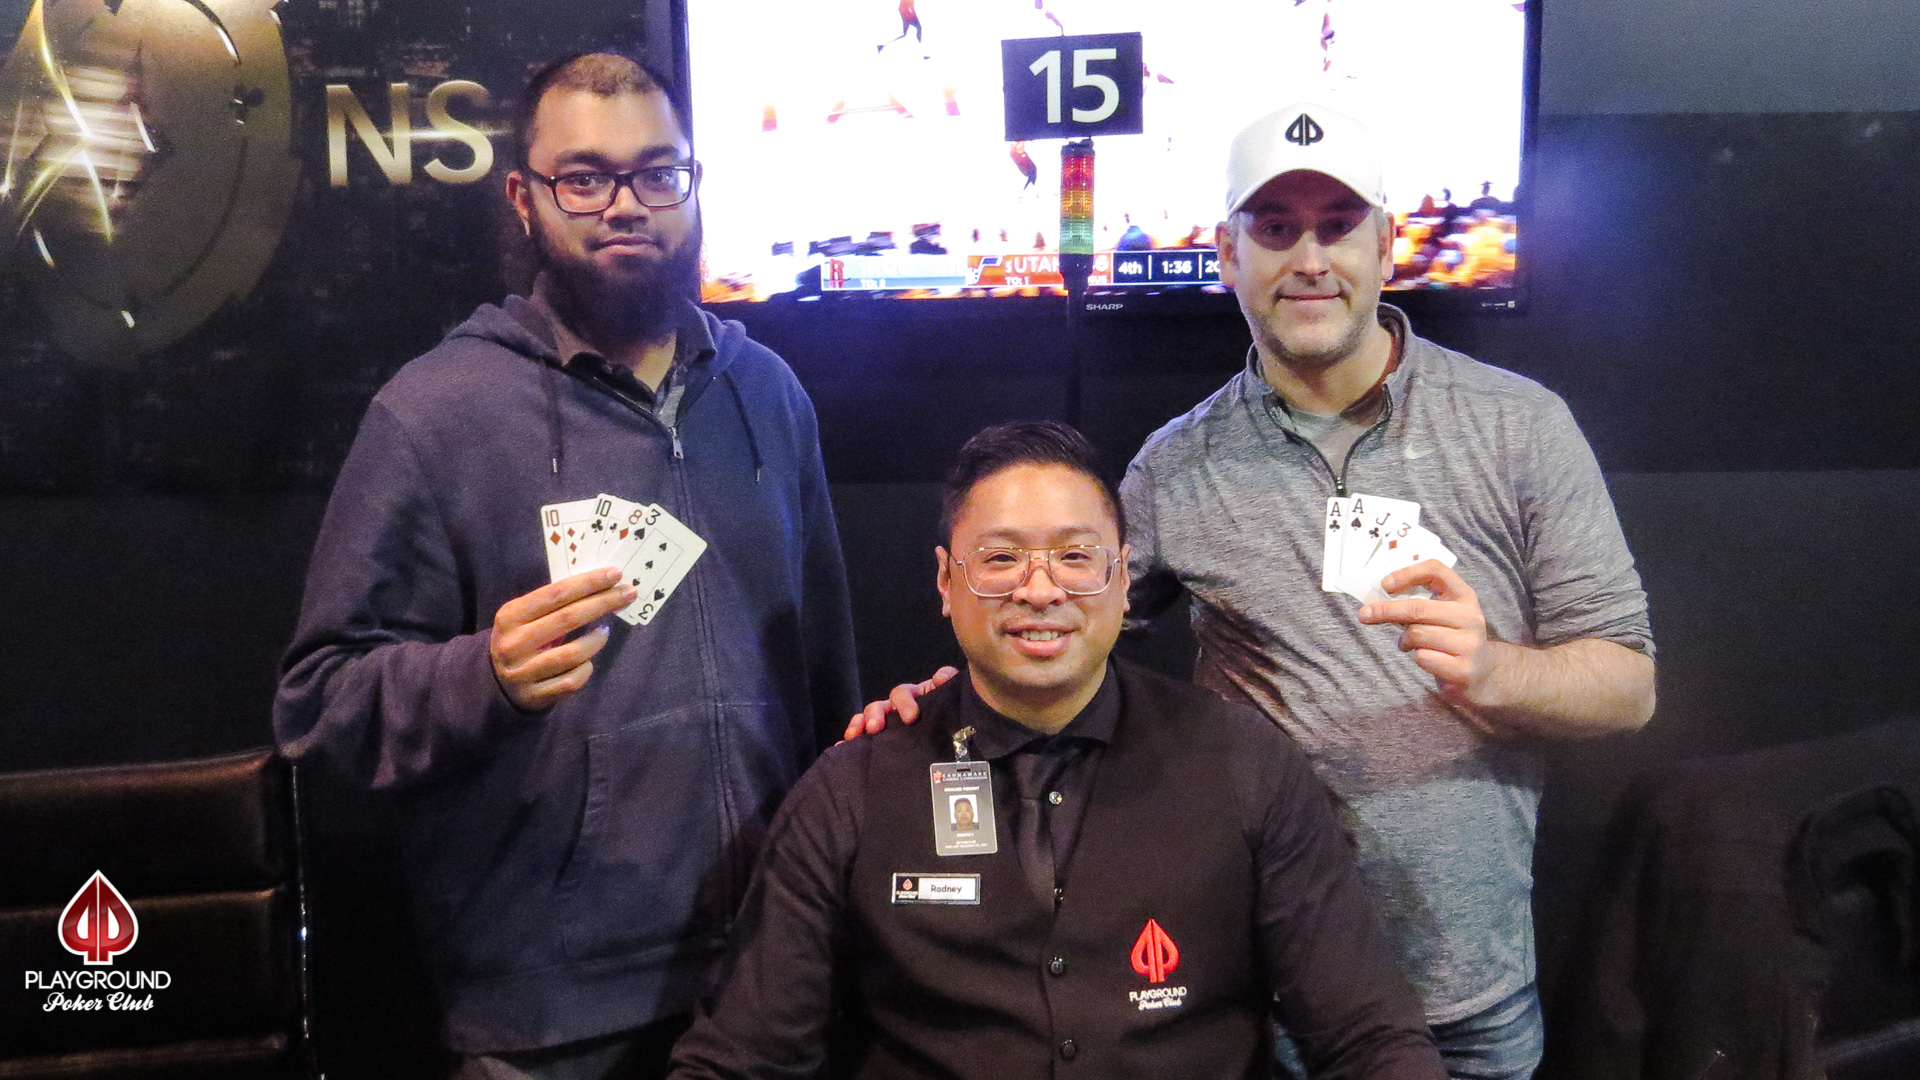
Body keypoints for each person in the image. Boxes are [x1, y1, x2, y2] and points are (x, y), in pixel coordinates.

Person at [851, 103, 1656, 1079]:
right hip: (1259, 1004)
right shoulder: (1175, 465)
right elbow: (1060, 622)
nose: (1308, 258)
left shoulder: (1521, 428)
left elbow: (1628, 687)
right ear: (1228, 255)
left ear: (1386, 246)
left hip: (1468, 999)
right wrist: (946, 706)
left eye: (1337, 225)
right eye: (1275, 228)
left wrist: (1493, 672)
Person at [274, 52, 859, 1079]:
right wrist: (482, 676)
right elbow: (318, 710)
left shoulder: (767, 393)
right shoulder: (434, 413)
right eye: (585, 177)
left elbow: (825, 683)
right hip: (546, 1021)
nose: (626, 204)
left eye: (657, 172)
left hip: (771, 984)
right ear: (524, 198)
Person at [669, 421, 1446, 1080]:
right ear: (946, 582)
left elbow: (1367, 1036)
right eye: (1000, 559)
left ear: (1122, 578)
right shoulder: (855, 788)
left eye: (1075, 557)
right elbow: (739, 1060)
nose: (1040, 590)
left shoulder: (1245, 765)